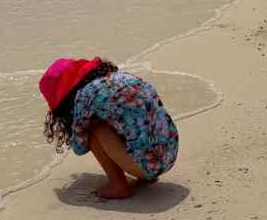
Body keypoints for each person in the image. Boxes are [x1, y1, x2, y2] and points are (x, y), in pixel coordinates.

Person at [40, 56, 179, 200]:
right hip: (170, 155)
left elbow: (80, 147)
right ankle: (146, 176)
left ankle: (119, 186)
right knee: (129, 123)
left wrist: (80, 125)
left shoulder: (84, 96)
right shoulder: (121, 77)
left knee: (95, 130)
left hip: (149, 166)